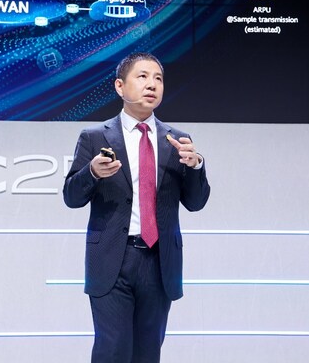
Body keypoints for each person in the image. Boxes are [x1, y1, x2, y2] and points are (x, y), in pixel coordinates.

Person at [63, 52, 210, 362]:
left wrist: (196, 165)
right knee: (113, 349)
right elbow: (72, 197)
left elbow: (196, 202)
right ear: (120, 86)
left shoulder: (178, 140)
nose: (152, 84)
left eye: (158, 79)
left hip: (160, 261)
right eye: (142, 76)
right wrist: (91, 172)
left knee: (148, 352)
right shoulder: (94, 137)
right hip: (112, 259)